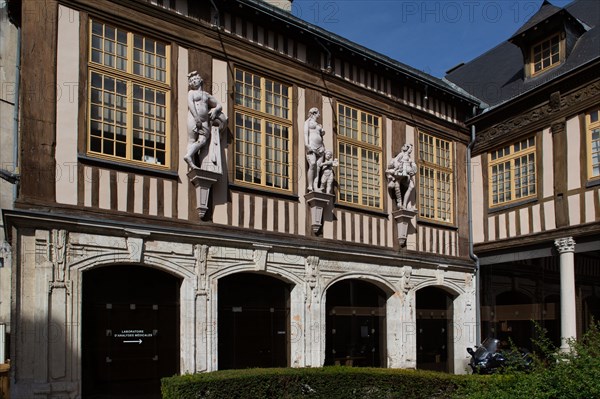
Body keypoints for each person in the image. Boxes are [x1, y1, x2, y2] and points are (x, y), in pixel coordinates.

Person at [183, 71, 223, 170]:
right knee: (192, 139)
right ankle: (190, 162)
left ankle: (192, 158)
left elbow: (219, 105)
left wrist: (215, 110)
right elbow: (191, 105)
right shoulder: (191, 93)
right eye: (191, 81)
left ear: (200, 80)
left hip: (205, 121)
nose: (193, 82)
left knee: (203, 140)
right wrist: (196, 118)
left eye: (194, 79)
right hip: (193, 118)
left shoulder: (206, 95)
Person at [304, 107, 326, 191]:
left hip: (320, 147)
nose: (319, 115)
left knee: (318, 168)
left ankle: (315, 186)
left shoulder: (318, 125)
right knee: (312, 164)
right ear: (314, 113)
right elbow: (306, 134)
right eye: (318, 113)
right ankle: (310, 185)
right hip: (311, 146)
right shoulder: (307, 122)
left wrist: (322, 131)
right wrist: (306, 144)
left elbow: (321, 136)